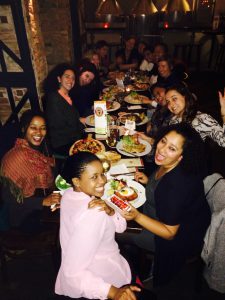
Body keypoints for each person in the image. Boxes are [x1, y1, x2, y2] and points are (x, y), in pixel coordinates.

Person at [120, 123, 211, 287]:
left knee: (116, 230)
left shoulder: (175, 186)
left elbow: (169, 233)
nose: (162, 150)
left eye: (172, 148)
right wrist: (149, 182)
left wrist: (137, 216)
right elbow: (162, 189)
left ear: (181, 156)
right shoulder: (169, 165)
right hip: (158, 216)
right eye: (163, 141)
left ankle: (133, 272)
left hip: (170, 240)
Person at [55, 152, 140, 300]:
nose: (103, 181)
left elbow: (119, 227)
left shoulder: (68, 194)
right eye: (94, 177)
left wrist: (110, 210)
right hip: (105, 276)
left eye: (102, 174)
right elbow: (72, 273)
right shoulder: (95, 213)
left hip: (85, 263)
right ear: (76, 181)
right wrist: (113, 292)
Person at [0, 110, 61, 232]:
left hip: (42, 196)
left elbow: (49, 168)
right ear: (24, 129)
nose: (39, 132)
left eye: (43, 128)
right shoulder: (16, 158)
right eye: (33, 127)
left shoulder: (37, 147)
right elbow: (10, 201)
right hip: (23, 216)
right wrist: (43, 201)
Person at [165, 83, 225, 147]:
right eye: (168, 102)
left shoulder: (201, 118)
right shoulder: (173, 120)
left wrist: (224, 113)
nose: (171, 104)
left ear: (185, 96)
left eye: (174, 99)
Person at [44, 63, 85, 156]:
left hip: (72, 136)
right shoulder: (54, 99)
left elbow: (72, 118)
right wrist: (83, 129)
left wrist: (85, 120)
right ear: (59, 79)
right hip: (62, 143)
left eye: (73, 78)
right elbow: (61, 128)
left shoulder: (67, 96)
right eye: (67, 76)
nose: (71, 80)